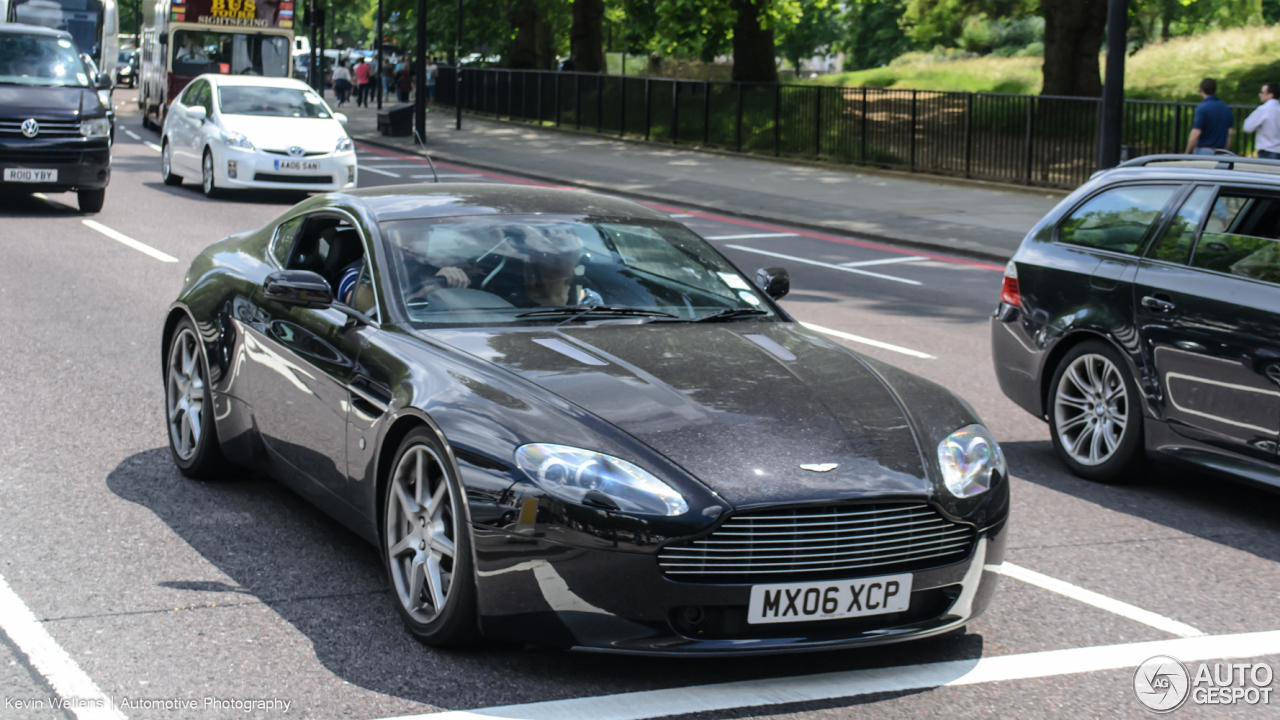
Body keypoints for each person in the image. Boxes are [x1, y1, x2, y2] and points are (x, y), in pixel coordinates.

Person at [1185, 78, 1235, 155]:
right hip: (1220, 152)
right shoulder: (1226, 108)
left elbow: (1196, 133)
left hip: (1203, 151)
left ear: (1202, 91)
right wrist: (1226, 150)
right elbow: (1230, 133)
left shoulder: (1202, 108)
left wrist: (1187, 152)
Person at [1244, 82, 1280, 160]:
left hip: (1267, 152)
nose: (1260, 94)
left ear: (1270, 95)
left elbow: (1247, 127)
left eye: (1262, 92)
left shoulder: (1263, 109)